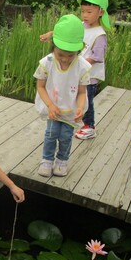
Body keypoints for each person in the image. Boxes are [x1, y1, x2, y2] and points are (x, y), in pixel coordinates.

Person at [40, 0, 109, 140]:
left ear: (101, 12)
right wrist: (50, 34)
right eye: (83, 11)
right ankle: (72, 118)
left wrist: (79, 64)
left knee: (87, 100)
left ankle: (89, 125)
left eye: (89, 12)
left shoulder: (99, 34)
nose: (85, 15)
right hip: (74, 72)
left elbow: (97, 57)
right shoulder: (81, 26)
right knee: (73, 96)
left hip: (88, 75)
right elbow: (65, 32)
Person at [35, 14, 91, 177]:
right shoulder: (47, 63)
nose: (65, 60)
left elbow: (82, 92)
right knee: (51, 134)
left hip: (70, 109)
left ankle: (62, 160)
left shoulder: (82, 67)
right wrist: (50, 105)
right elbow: (40, 86)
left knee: (66, 136)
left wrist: (80, 107)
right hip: (53, 107)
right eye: (61, 55)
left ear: (78, 51)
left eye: (70, 56)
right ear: (53, 48)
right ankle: (46, 160)